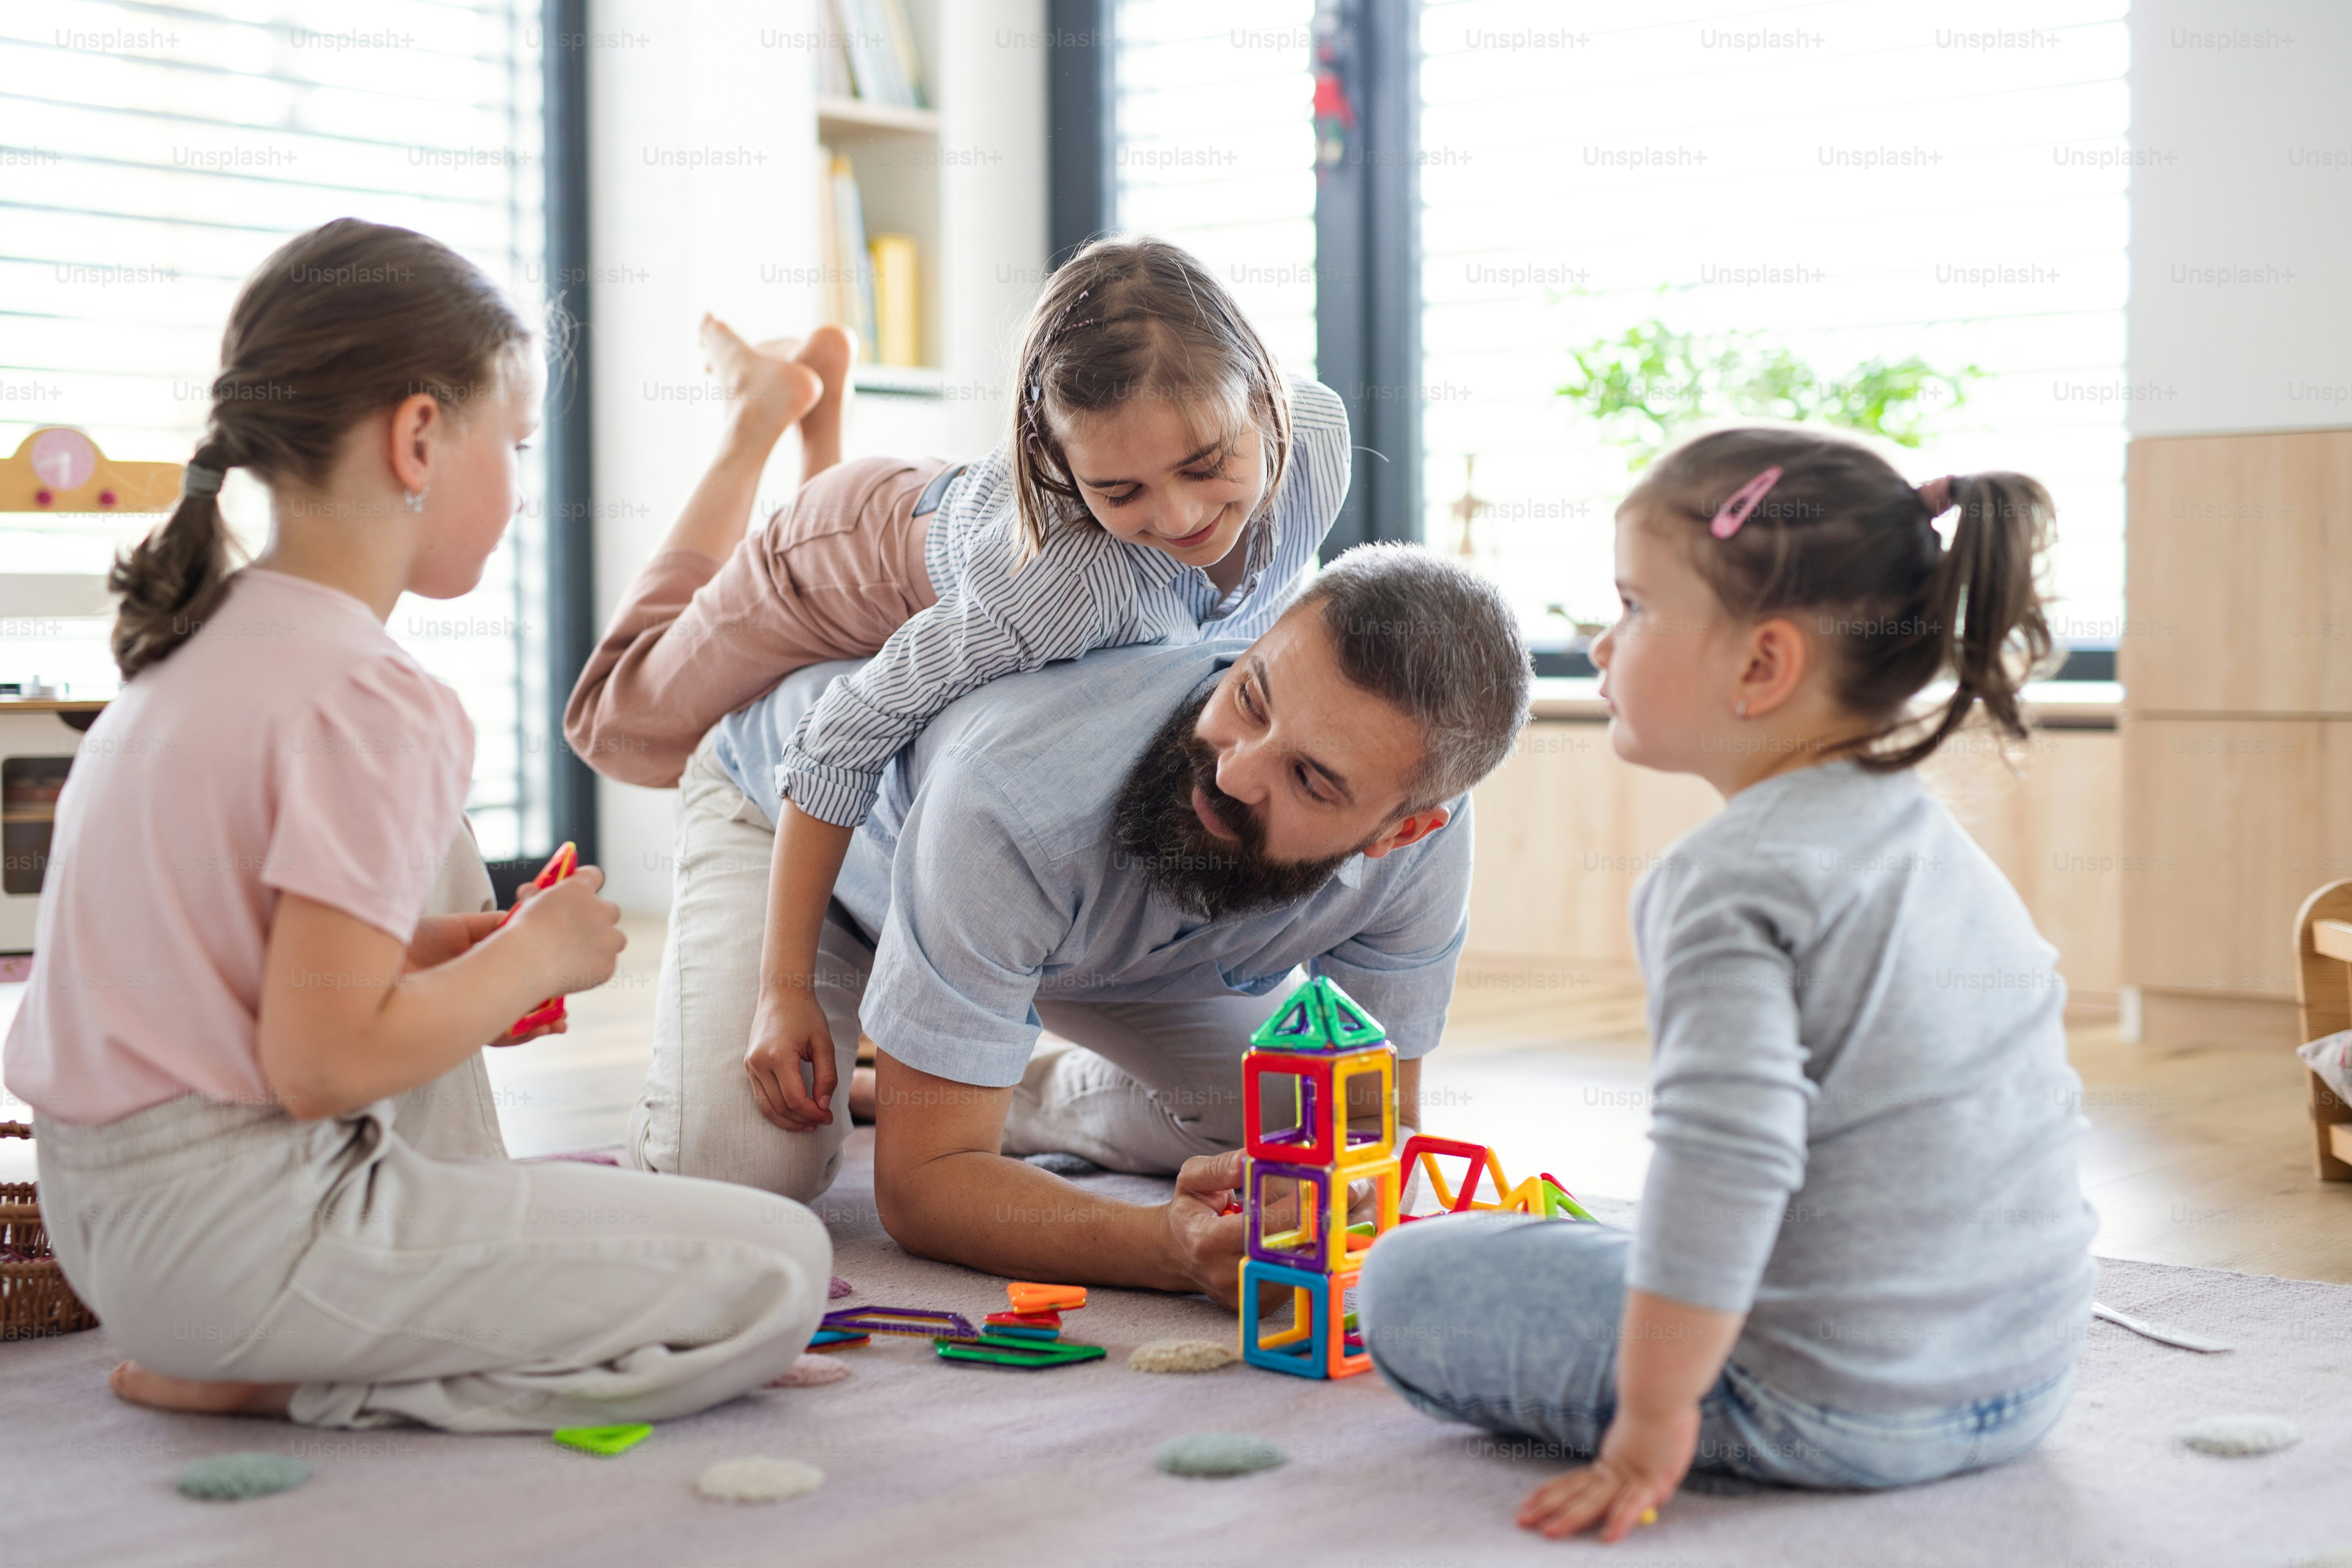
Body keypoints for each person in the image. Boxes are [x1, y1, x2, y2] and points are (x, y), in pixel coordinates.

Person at [1, 219, 830, 1432]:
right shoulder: (371, 696)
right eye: (519, 444)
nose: (521, 485)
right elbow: (322, 1065)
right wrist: (529, 957)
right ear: (421, 435)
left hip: (110, 1230)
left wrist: (457, 949)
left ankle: (260, 1353)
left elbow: (254, 977)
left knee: (652, 1239)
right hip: (252, 1246)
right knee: (781, 1271)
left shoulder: (190, 653)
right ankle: (292, 1377)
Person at [1358, 427, 2098, 1539]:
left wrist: (1654, 1420)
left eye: (1636, 607)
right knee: (1631, 1245)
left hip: (1835, 1409)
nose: (1605, 647)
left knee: (1408, 1275)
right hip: (2025, 1384)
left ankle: (1698, 1381)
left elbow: (1728, 1161)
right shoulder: (1942, 852)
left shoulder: (1725, 881)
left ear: (1762, 665)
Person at [563, 236, 1351, 1140]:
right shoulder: (1062, 591)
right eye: (1118, 489)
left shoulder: (1317, 434)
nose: (1176, 516)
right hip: (840, 558)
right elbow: (840, 735)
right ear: (1057, 461)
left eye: (1207, 465)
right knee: (621, 730)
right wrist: (782, 991)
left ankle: (818, 413)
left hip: (961, 558)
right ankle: (758, 416)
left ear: (1263, 393)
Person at [634, 545, 1532, 1302]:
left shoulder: (1426, 846)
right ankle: (945, 1071)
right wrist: (1166, 1249)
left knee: (1292, 1132)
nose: (1232, 774)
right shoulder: (1018, 790)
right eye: (1251, 699)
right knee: (737, 1180)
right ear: (1254, 641)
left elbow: (1374, 1127)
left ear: (1402, 830)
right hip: (808, 835)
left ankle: (989, 1086)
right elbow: (920, 1193)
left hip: (1078, 943)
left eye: (1311, 781)